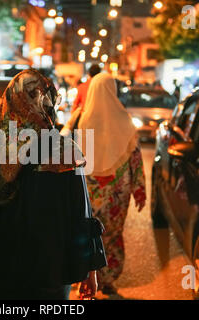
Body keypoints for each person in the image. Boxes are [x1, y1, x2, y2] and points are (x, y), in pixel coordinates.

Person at [0, 69, 106, 300]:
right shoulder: (65, 151)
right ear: (48, 102)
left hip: (6, 267)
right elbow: (81, 214)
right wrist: (90, 268)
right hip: (52, 270)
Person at [77, 73, 146, 295]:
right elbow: (135, 156)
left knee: (88, 233)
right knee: (112, 234)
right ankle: (107, 278)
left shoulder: (85, 119)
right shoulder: (125, 119)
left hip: (89, 187)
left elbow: (76, 158)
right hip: (118, 189)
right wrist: (139, 189)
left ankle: (85, 278)